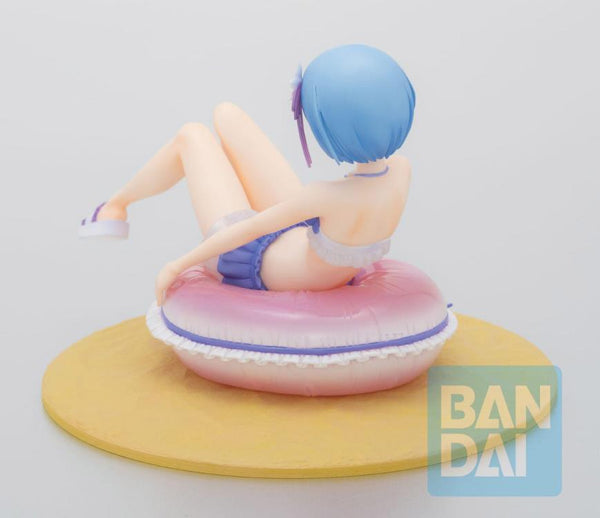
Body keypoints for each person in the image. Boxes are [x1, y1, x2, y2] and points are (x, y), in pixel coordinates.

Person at [79, 44, 416, 305]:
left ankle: (113, 207)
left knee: (192, 136)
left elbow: (249, 231)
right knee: (226, 114)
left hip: (256, 260)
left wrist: (176, 265)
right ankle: (114, 207)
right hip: (303, 242)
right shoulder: (401, 171)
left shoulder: (325, 197)